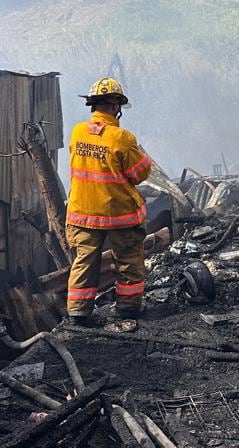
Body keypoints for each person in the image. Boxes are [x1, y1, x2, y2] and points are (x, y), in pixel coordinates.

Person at [65, 78, 153, 327]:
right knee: (128, 260)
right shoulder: (122, 138)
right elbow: (140, 173)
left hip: (82, 212)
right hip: (119, 214)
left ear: (92, 105)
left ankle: (78, 312)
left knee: (84, 261)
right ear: (116, 106)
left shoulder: (77, 132)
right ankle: (128, 308)